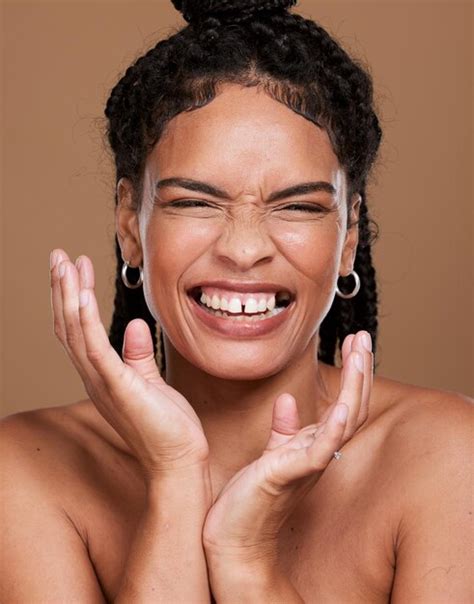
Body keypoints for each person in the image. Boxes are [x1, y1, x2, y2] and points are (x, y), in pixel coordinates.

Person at [1, 0, 472, 601]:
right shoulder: (25, 468)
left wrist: (245, 558)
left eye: (298, 205)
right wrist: (175, 478)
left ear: (349, 236)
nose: (245, 250)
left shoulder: (450, 457)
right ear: (129, 223)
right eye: (195, 202)